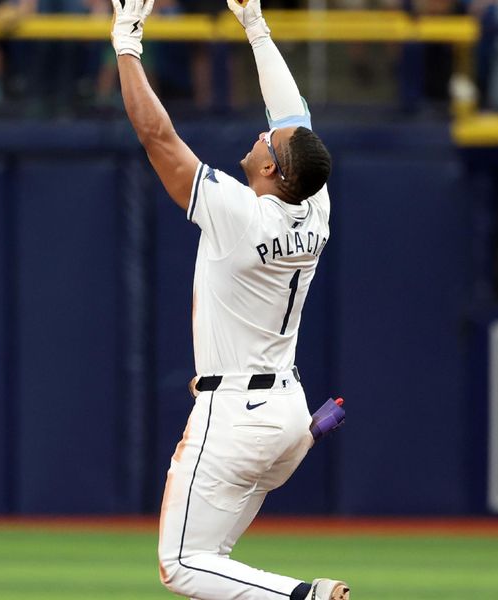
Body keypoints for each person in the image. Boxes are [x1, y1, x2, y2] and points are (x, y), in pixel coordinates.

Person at [110, 0, 347, 598]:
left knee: (184, 565)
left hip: (236, 417)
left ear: (271, 168)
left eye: (270, 139)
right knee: (215, 561)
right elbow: (296, 115)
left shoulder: (242, 215)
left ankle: (305, 597)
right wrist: (256, 26)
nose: (264, 130)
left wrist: (127, 45)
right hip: (287, 414)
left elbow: (156, 136)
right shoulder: (314, 204)